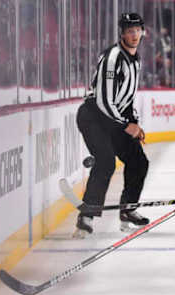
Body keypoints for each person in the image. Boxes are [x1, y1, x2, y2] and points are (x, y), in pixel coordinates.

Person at [73, 13, 149, 238]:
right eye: (129, 30)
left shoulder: (135, 59)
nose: (134, 35)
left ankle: (128, 210)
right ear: (122, 33)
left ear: (142, 31)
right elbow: (103, 101)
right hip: (93, 117)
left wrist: (134, 122)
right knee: (105, 162)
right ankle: (86, 216)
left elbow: (127, 98)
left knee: (138, 161)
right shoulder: (113, 57)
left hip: (114, 119)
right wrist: (127, 126)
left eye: (137, 30)